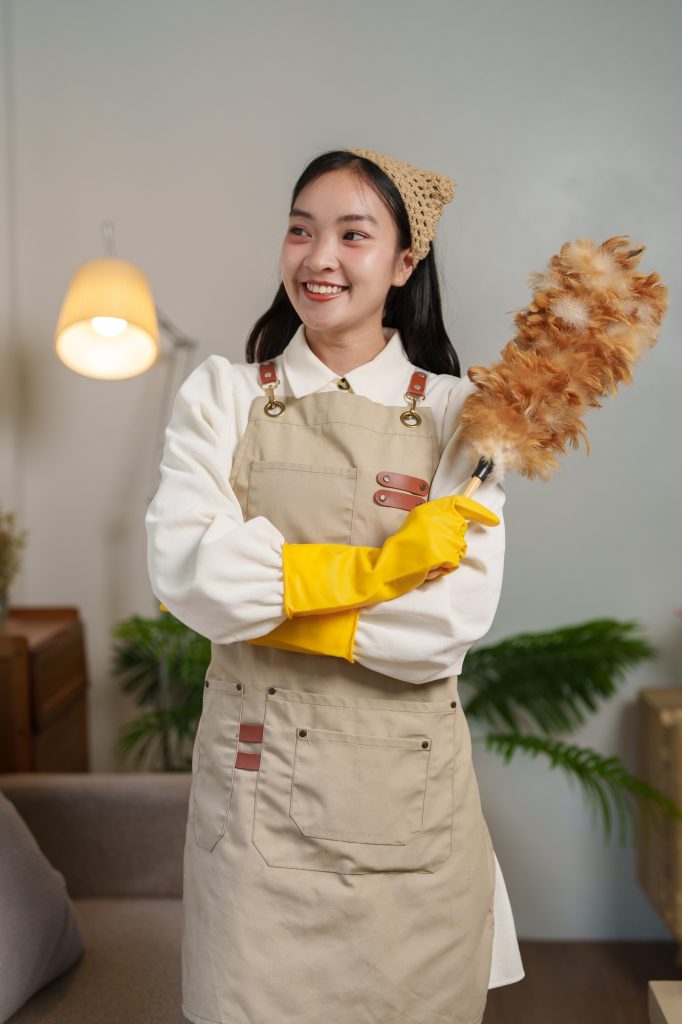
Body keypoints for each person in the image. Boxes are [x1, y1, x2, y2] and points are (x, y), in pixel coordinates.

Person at [145, 147, 525, 1024]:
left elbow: (445, 626)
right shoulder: (223, 396)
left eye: (353, 235)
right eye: (300, 230)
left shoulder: (461, 417)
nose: (320, 258)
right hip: (253, 832)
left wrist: (269, 608)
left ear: (402, 264)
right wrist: (378, 571)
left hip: (413, 827)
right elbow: (187, 573)